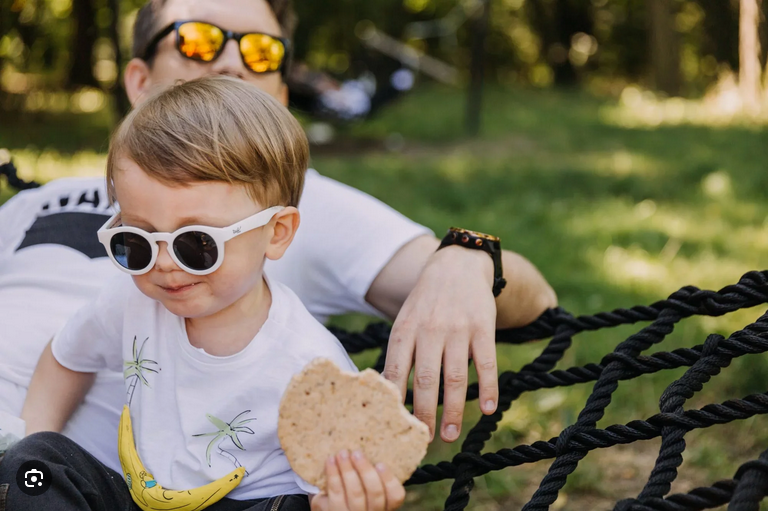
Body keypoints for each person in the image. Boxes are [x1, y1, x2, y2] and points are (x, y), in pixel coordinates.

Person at [0, 0, 556, 473]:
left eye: (261, 52)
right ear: (139, 81)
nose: (229, 62)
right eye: (197, 40)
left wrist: (465, 259)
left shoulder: (287, 207)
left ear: (280, 98)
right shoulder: (32, 201)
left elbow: (539, 304)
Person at [0, 76, 406, 511]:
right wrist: (35, 437)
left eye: (196, 244)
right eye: (135, 242)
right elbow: (66, 358)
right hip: (136, 494)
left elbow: (336, 484)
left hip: (248, 503)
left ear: (276, 233)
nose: (164, 263)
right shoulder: (130, 300)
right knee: (33, 467)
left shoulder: (310, 365)